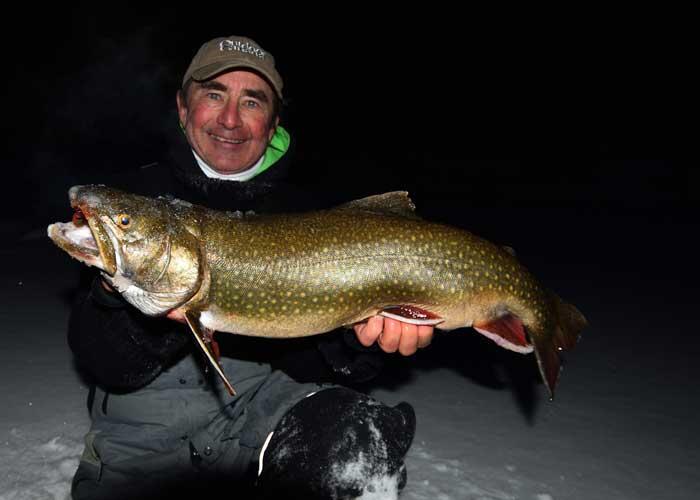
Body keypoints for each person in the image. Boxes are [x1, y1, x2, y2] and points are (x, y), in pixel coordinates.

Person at [68, 35, 434, 499]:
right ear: (183, 109)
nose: (229, 119)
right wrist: (145, 308)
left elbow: (322, 365)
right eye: (214, 95)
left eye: (252, 102)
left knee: (355, 443)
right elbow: (103, 362)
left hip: (258, 417)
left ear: (273, 121)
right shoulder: (136, 202)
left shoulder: (309, 215)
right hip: (144, 437)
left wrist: (360, 340)